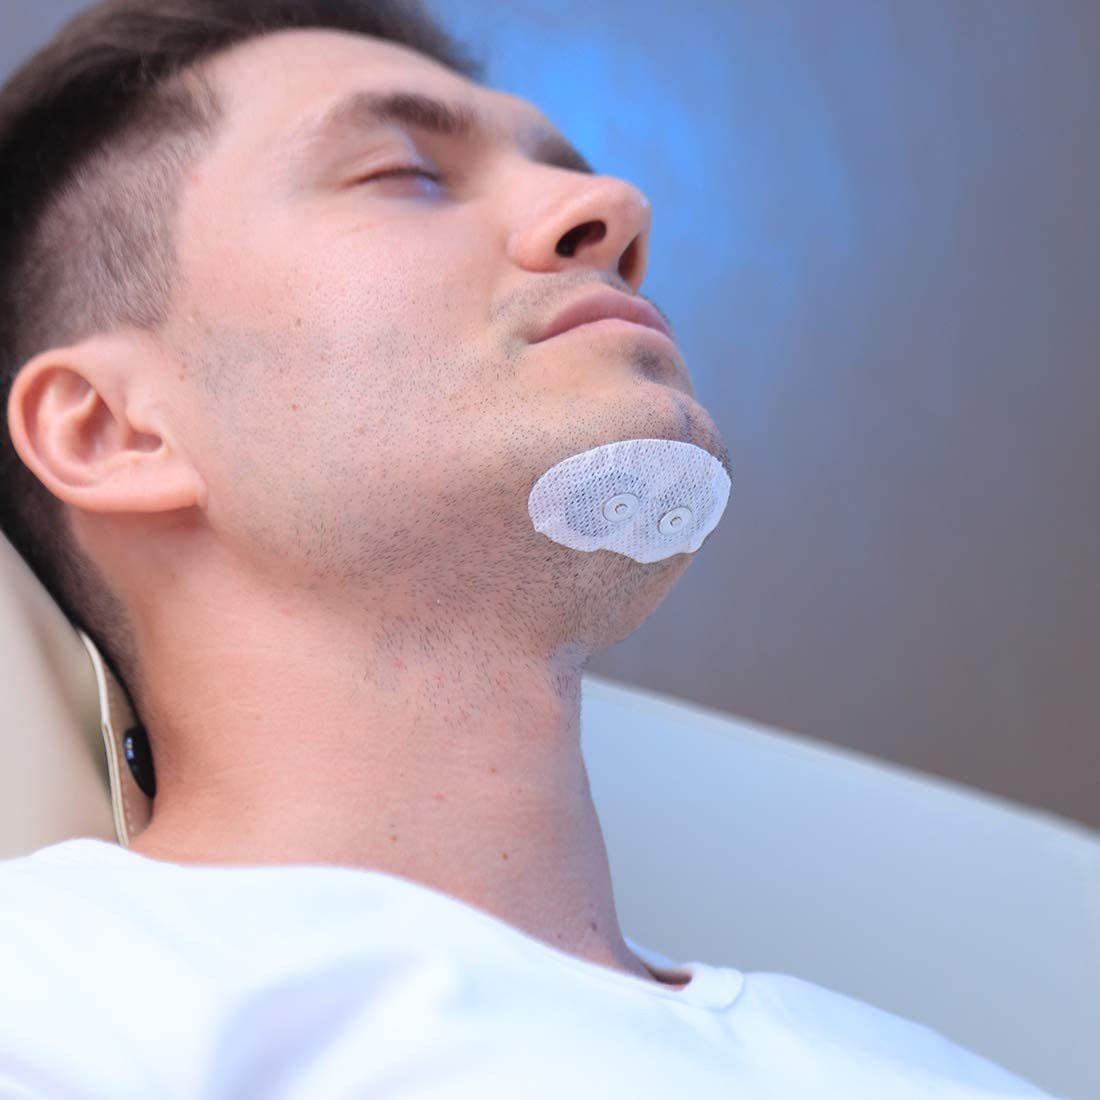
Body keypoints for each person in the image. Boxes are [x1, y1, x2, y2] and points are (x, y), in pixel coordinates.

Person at [0, 1, 1059, 1096]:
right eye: (403, 172)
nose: (615, 209)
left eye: (568, 170)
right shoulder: (54, 999)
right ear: (110, 430)